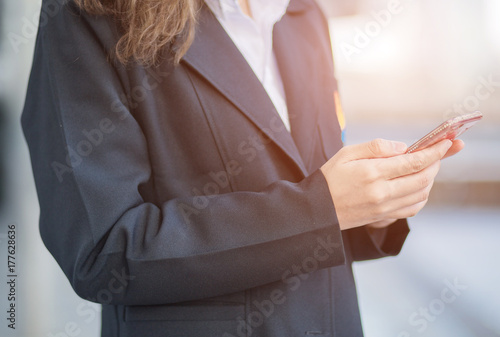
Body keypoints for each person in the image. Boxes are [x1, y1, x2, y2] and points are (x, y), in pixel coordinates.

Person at [21, 0, 464, 336]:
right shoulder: (88, 14)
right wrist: (320, 207)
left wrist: (373, 205)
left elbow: (314, 184)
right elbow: (103, 253)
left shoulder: (301, 14)